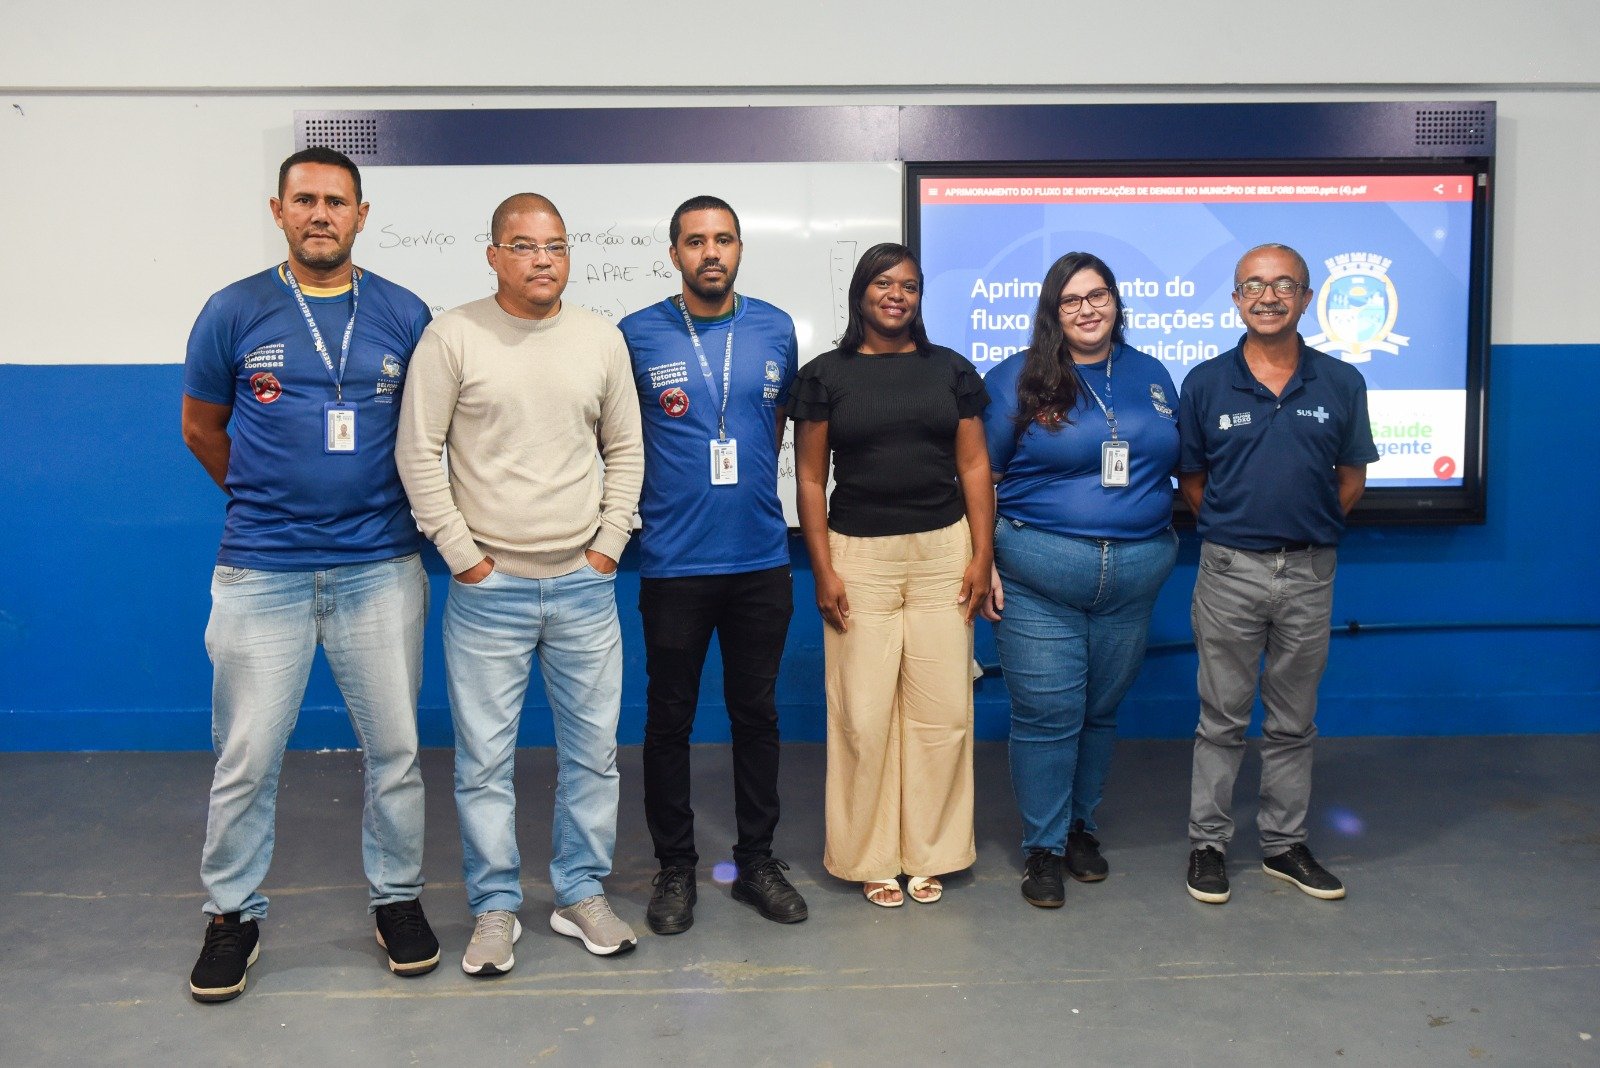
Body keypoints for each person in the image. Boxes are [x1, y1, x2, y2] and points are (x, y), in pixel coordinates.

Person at [181, 147, 438, 1003]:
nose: (320, 214)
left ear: (362, 215)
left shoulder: (404, 312)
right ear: (278, 210)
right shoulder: (233, 310)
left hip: (380, 565)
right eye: (305, 200)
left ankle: (397, 900)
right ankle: (232, 914)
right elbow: (201, 428)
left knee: (395, 751)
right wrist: (268, 501)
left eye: (336, 200)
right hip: (263, 569)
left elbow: (430, 432)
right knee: (247, 757)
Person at [395, 193, 644, 971]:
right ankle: (495, 907)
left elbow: (626, 450)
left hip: (583, 585)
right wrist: (463, 556)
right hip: (488, 591)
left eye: (556, 246)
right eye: (526, 245)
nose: (543, 259)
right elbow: (417, 452)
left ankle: (579, 892)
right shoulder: (452, 336)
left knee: (593, 757)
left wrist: (607, 546)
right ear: (494, 255)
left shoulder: (601, 338)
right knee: (483, 765)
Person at [618, 196, 808, 934]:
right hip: (674, 561)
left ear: (739, 249)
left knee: (756, 715)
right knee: (669, 718)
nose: (711, 253)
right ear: (674, 254)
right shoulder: (636, 334)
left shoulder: (776, 328)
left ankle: (755, 860)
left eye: (723, 239)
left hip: (760, 557)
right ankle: (675, 866)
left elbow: (774, 424)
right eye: (695, 241)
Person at [790, 242, 993, 908]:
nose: (896, 295)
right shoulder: (825, 376)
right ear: (861, 293)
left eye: (908, 285)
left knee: (944, 714)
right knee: (863, 715)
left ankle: (934, 852)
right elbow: (811, 479)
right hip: (859, 559)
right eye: (883, 283)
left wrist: (982, 554)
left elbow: (974, 467)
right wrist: (822, 568)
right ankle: (870, 857)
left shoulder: (951, 370)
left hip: (943, 555)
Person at [1178, 242, 1378, 905]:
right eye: (1254, 286)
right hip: (1229, 570)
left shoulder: (1341, 381)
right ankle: (1208, 844)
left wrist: (1302, 530)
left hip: (1311, 572)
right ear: (1237, 299)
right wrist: (1243, 532)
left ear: (1307, 297)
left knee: (1293, 721)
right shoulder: (1205, 382)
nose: (1269, 297)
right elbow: (1193, 481)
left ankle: (1283, 845)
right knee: (1222, 718)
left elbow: (1351, 479)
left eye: (1284, 284)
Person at [980, 252, 1180, 909]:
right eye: (1071, 300)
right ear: (1052, 311)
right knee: (1048, 714)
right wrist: (981, 561)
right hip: (1039, 577)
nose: (1087, 309)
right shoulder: (1015, 378)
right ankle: (1042, 849)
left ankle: (1078, 830)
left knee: (1098, 712)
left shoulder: (1152, 374)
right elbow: (980, 478)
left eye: (1098, 296)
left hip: (1135, 580)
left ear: (1117, 301)